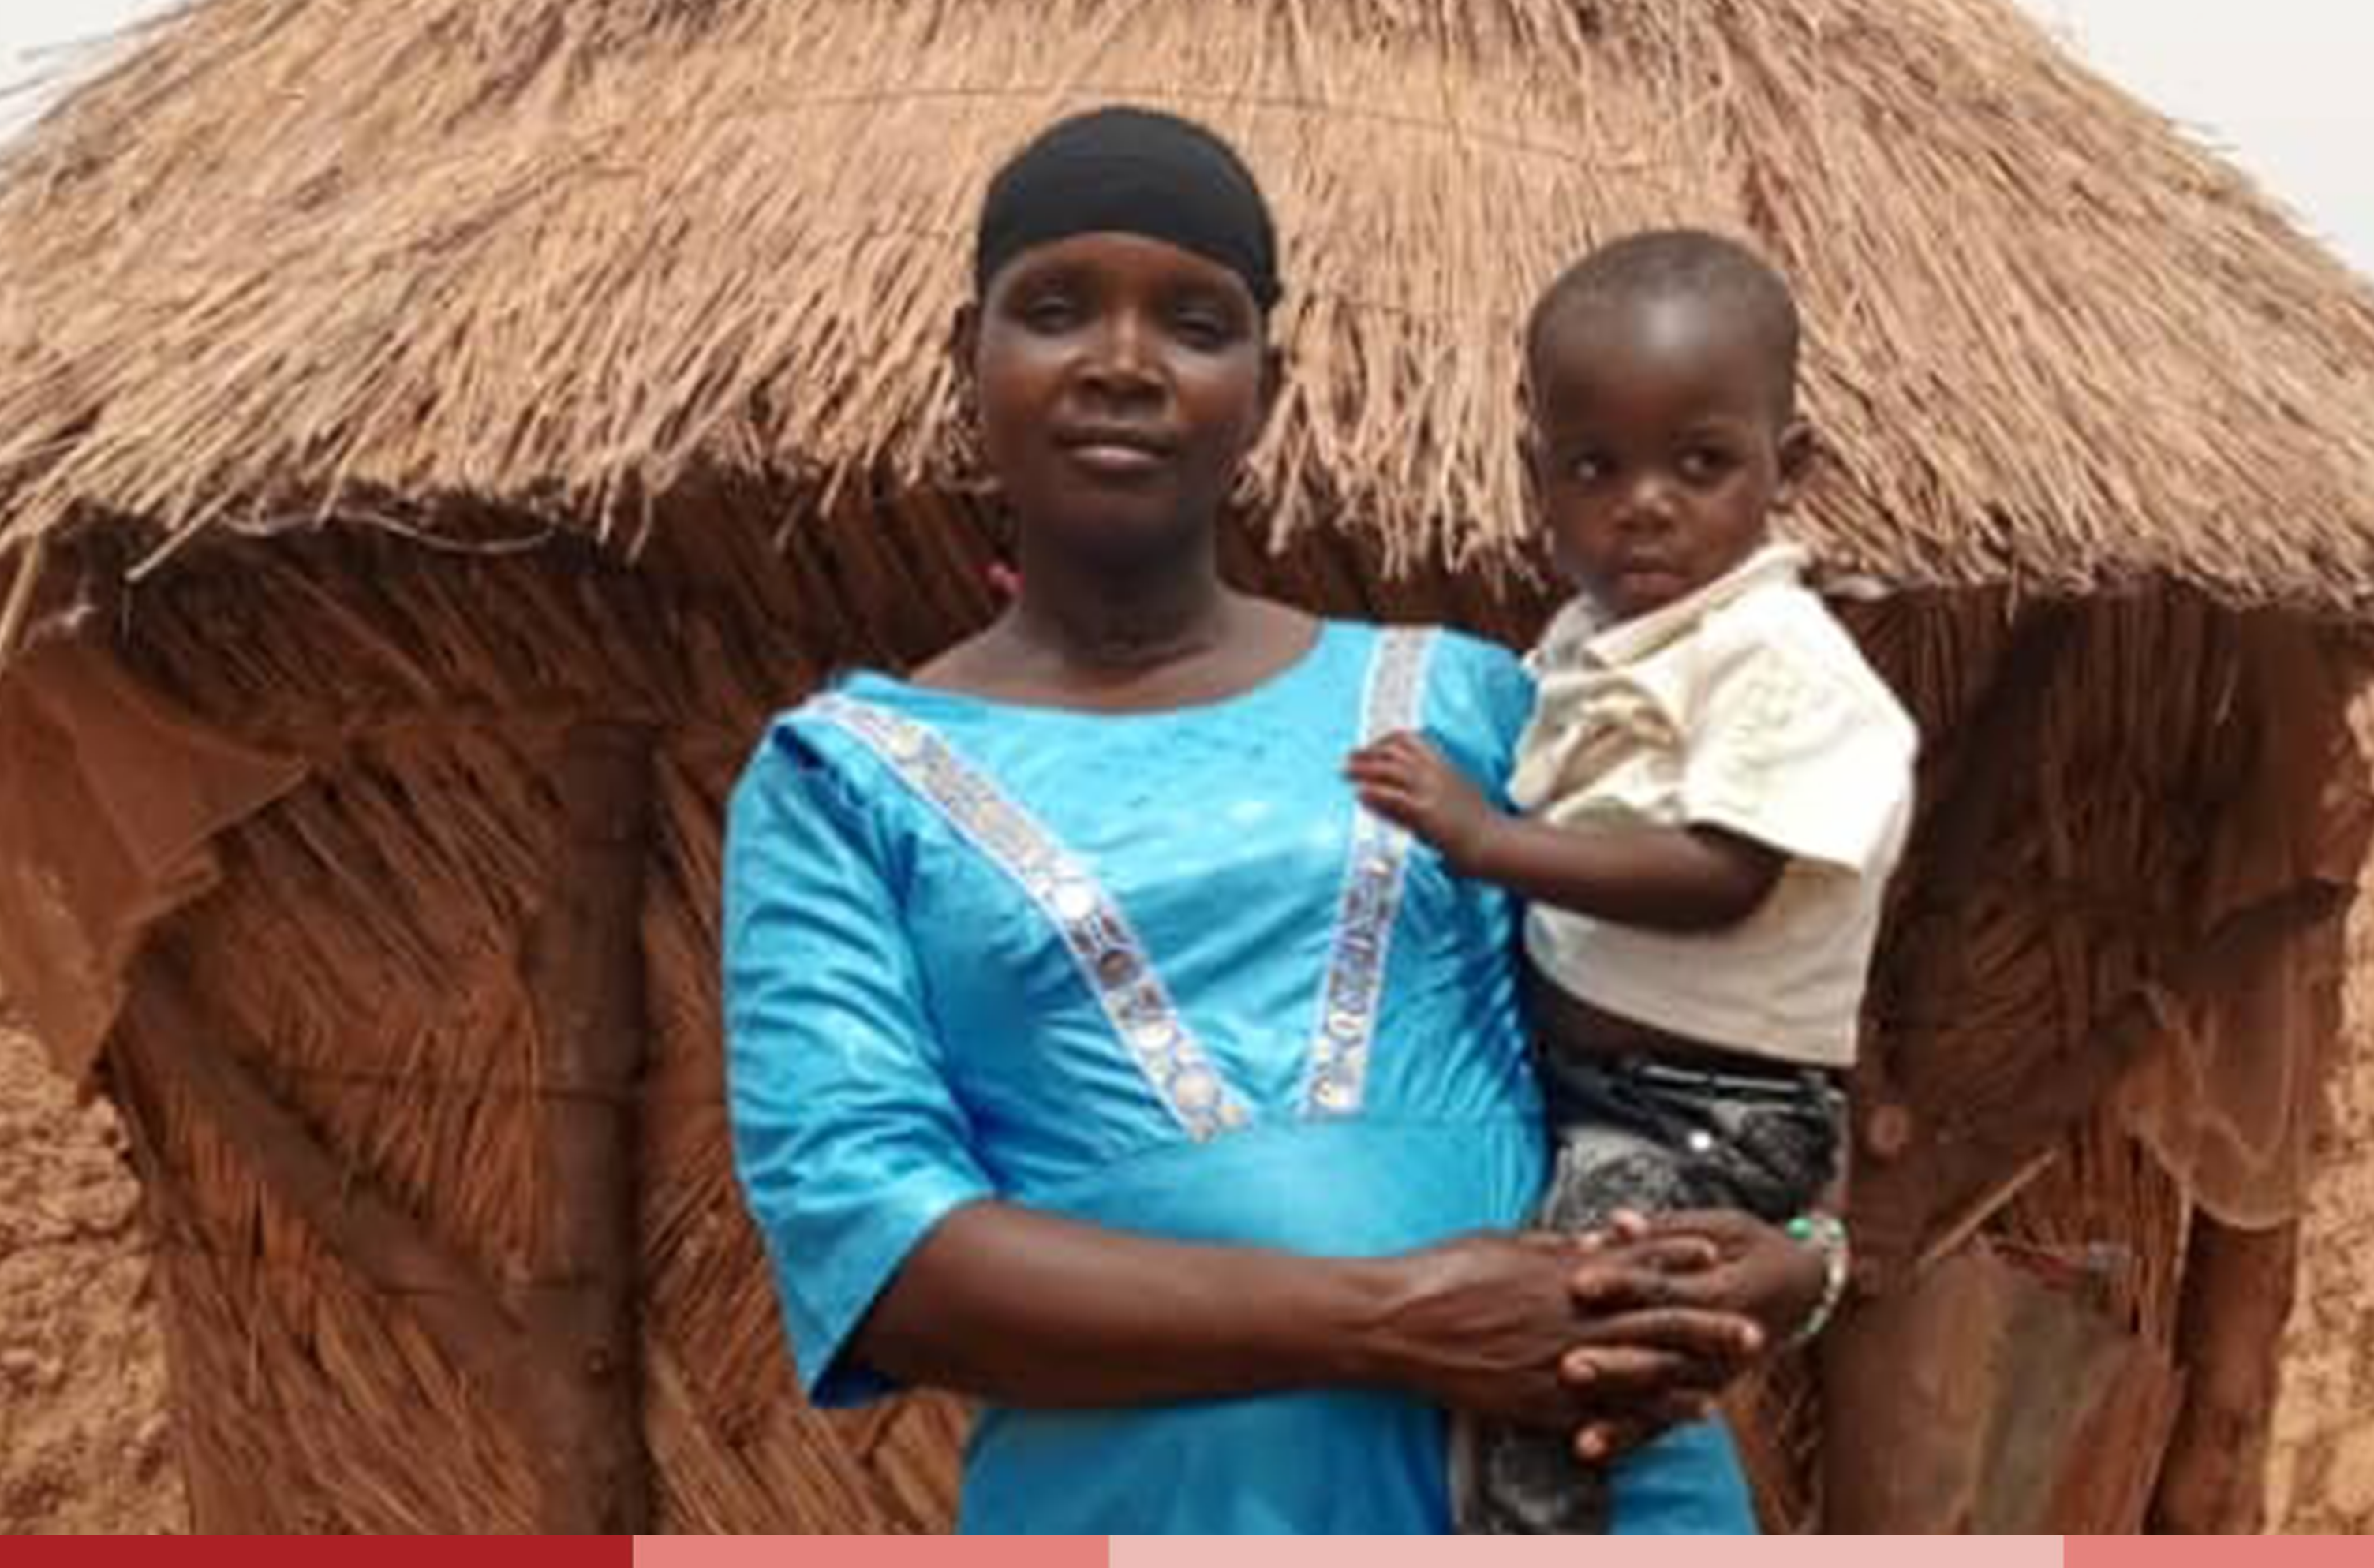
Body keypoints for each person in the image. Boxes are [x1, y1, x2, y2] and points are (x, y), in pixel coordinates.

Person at [721, 109, 1821, 1534]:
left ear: (1266, 384)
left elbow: (1704, 1027)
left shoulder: (1470, 702)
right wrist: (1387, 1322)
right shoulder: (846, 782)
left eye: (1195, 323)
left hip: (1588, 1503)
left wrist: (1803, 1259)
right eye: (1055, 311)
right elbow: (883, 1257)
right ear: (966, 362)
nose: (1123, 364)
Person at [1346, 227, 1920, 1534]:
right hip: (1600, 1093)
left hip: (1705, 1111)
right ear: (1534, 477)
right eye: (1596, 468)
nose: (1644, 503)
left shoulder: (1778, 658)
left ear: (1792, 469)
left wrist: (1485, 843)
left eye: (1701, 464)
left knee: (1573, 1357)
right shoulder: (1595, 640)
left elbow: (1723, 875)